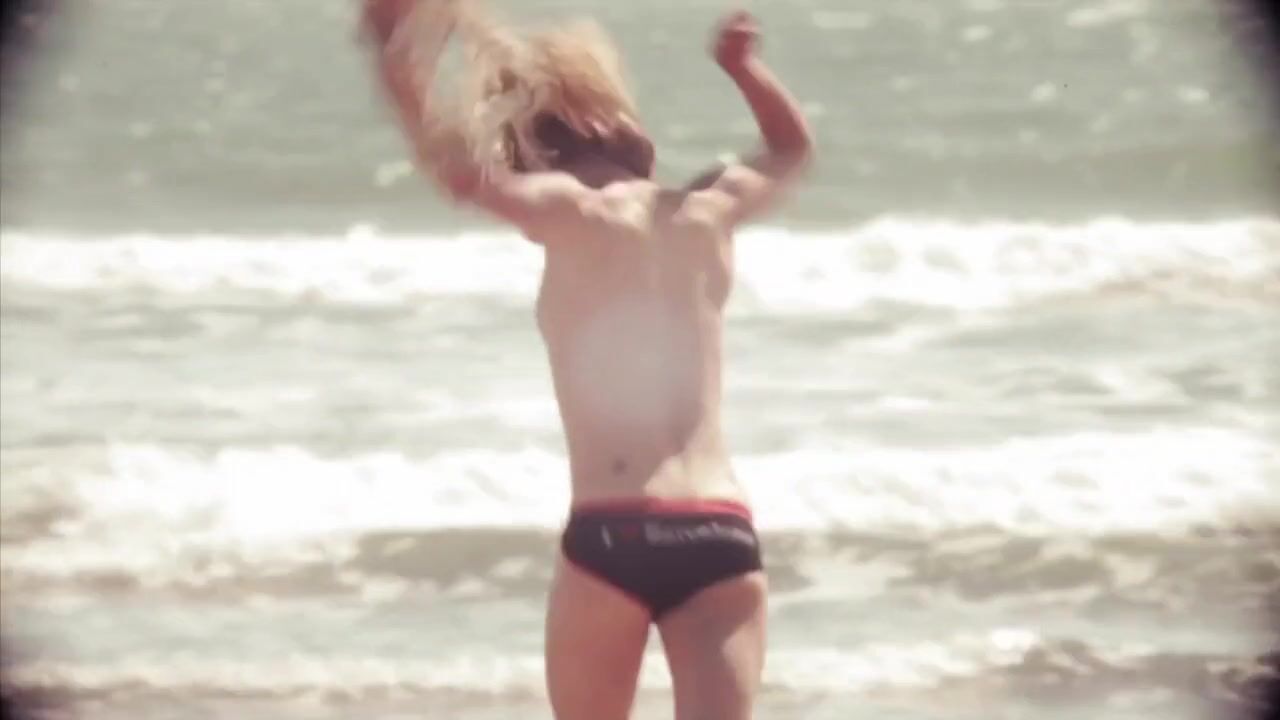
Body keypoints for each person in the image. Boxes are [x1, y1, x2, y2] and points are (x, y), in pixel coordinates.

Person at [361, 1, 813, 717]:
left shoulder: (567, 210)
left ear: (541, 158)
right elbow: (790, 148)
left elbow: (460, 175)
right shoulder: (706, 209)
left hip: (612, 528)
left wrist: (400, 70)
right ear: (623, 138)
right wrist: (743, 69)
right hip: (716, 527)